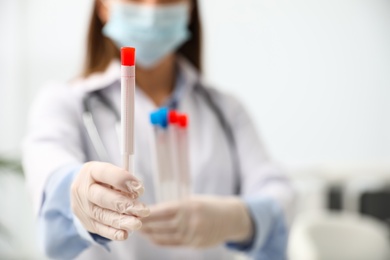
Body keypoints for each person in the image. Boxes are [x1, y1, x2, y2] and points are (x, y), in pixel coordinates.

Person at [23, 0, 294, 259]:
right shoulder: (64, 102)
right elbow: (52, 188)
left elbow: (279, 194)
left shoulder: (226, 109)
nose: (152, 9)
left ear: (189, 8)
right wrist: (80, 192)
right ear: (103, 6)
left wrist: (239, 218)